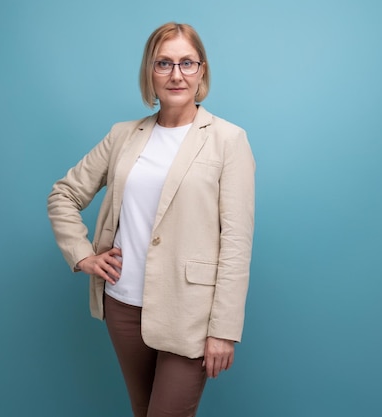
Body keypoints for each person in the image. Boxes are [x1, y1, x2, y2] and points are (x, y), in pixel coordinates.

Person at [47, 22, 255, 417]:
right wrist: (83, 255)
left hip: (189, 311)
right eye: (164, 63)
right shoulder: (123, 135)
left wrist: (224, 329)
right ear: (150, 72)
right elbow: (64, 194)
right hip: (123, 305)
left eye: (187, 63)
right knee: (142, 409)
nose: (176, 74)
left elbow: (237, 242)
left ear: (202, 71)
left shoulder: (229, 140)